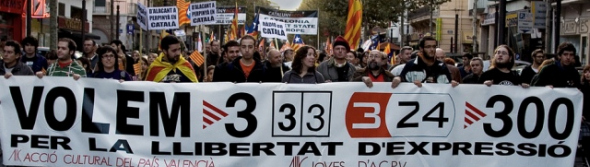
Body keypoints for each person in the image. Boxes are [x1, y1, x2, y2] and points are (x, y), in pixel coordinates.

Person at [391, 36, 458, 88]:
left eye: (434, 47)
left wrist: (452, 84)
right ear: (421, 49)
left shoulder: (442, 66)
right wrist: (398, 78)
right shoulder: (411, 65)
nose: (432, 49)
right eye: (428, 47)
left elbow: (447, 85)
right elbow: (402, 81)